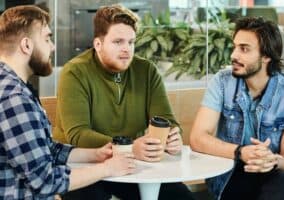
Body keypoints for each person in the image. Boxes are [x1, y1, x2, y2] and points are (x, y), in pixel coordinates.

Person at [53, 4, 195, 200]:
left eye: (131, 42)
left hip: (133, 164)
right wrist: (130, 148)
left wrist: (173, 137)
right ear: (98, 44)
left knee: (181, 198)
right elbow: (78, 134)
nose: (126, 49)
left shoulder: (146, 71)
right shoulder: (75, 72)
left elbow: (166, 120)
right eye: (118, 42)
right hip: (83, 167)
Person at [0, 5, 136, 200]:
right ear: (27, 45)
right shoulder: (14, 99)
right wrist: (107, 168)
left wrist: (95, 154)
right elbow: (45, 181)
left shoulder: (11, 85)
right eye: (47, 38)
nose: (53, 46)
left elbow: (45, 149)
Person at [190, 16, 284, 200]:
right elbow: (197, 138)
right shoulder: (222, 82)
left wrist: (270, 160)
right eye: (235, 47)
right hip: (233, 174)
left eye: (244, 49)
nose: (234, 55)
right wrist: (241, 152)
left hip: (276, 176)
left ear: (266, 56)